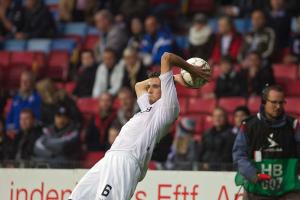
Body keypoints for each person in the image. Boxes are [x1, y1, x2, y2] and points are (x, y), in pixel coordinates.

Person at [69, 52, 211, 200]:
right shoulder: (148, 108)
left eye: (155, 86)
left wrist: (190, 70)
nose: (149, 90)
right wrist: (171, 78)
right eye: (150, 86)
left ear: (168, 90)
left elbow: (167, 57)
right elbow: (138, 86)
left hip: (126, 160)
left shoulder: (168, 109)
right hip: (111, 157)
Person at [233, 85, 300, 199]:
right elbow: (239, 156)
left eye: (281, 102)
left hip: (288, 191)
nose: (278, 106)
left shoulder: (293, 125)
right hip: (256, 190)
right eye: (274, 102)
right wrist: (253, 175)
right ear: (264, 102)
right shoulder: (248, 126)